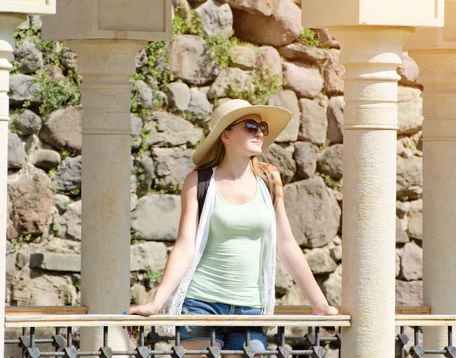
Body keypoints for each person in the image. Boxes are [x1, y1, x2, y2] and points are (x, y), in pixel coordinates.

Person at [128, 99, 338, 353]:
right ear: (225, 135)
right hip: (200, 304)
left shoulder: (269, 179)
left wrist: (320, 305)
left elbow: (286, 244)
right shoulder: (199, 181)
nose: (259, 132)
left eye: (262, 127)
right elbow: (185, 246)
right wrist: (156, 302)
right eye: (250, 126)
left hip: (251, 308)